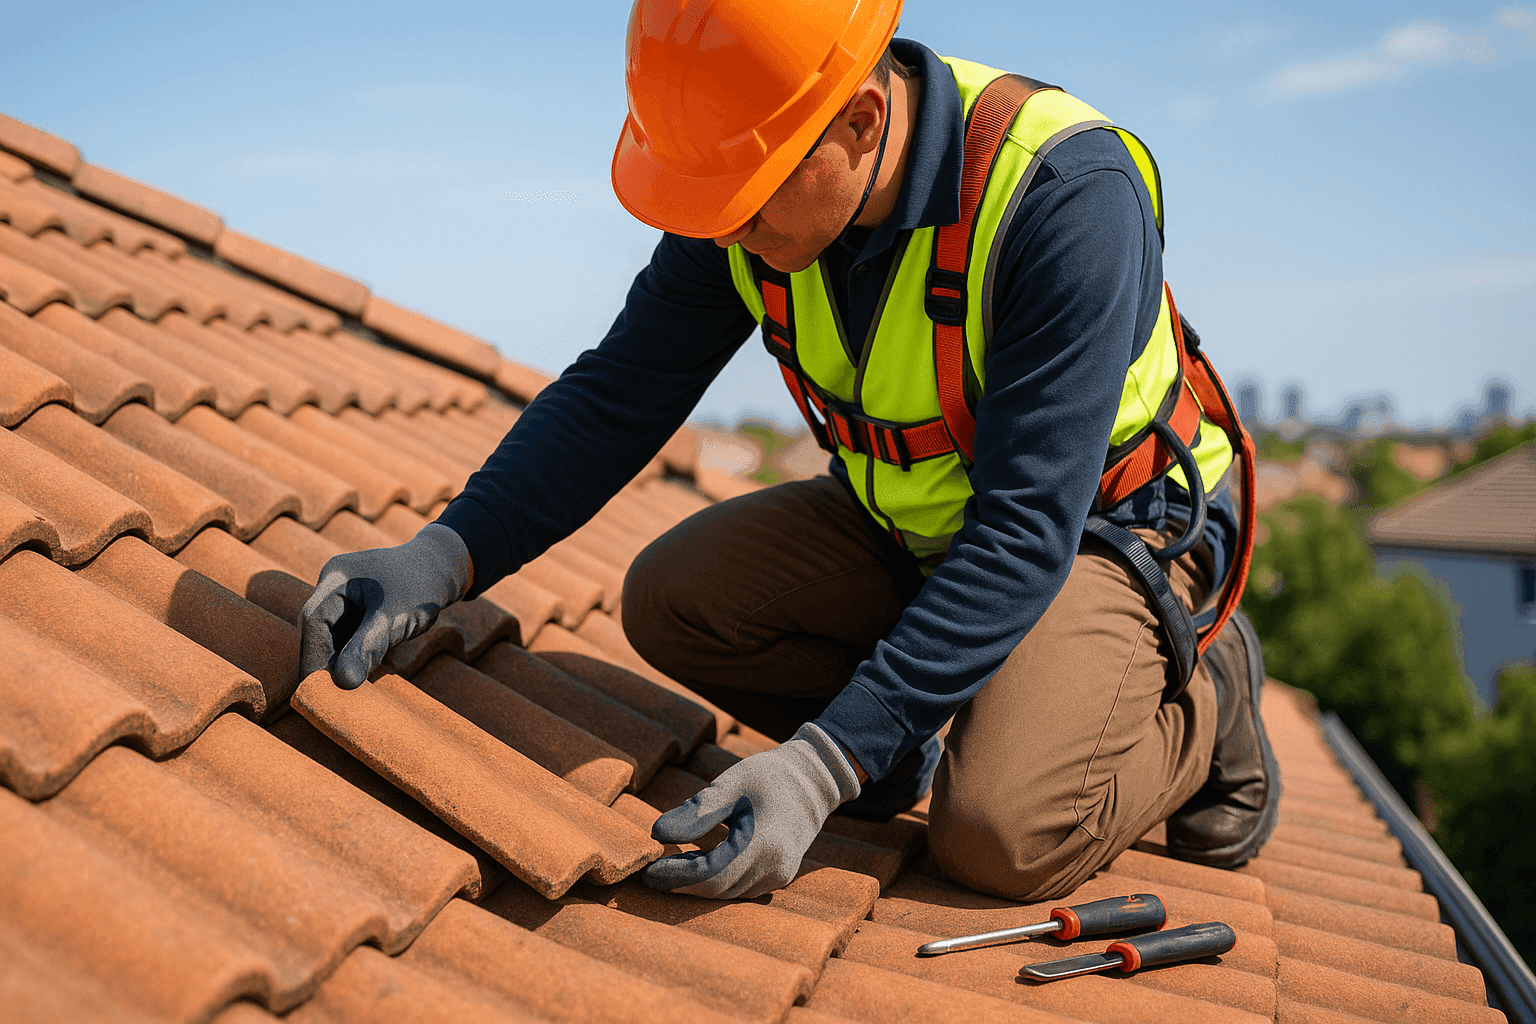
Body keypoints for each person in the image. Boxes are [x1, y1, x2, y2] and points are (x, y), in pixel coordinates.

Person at [299, 0, 1280, 903]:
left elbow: (1024, 531)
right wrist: (445, 554)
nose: (729, 229)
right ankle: (902, 754)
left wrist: (822, 764)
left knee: (999, 834)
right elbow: (617, 395)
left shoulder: (1064, 195)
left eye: (752, 201)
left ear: (859, 119)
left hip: (1111, 530)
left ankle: (1217, 686)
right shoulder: (747, 185)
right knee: (677, 599)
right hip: (916, 523)